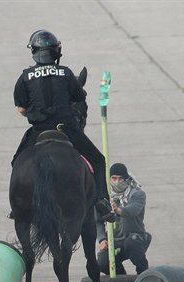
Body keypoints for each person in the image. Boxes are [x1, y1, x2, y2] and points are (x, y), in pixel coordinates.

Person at [12, 29, 115, 222]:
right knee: (99, 160)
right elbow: (78, 98)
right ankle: (102, 201)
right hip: (67, 129)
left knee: (17, 162)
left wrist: (35, 113)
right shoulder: (66, 73)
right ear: (56, 52)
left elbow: (20, 108)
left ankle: (18, 206)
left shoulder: (25, 77)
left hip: (39, 131)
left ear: (34, 51)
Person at [96, 163, 151, 275]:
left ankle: (143, 273)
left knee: (132, 243)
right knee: (102, 262)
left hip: (135, 237)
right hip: (114, 240)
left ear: (126, 178)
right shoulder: (104, 197)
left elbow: (133, 210)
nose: (117, 182)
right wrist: (102, 239)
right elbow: (98, 221)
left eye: (120, 178)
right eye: (114, 178)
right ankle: (121, 276)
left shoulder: (137, 193)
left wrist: (118, 210)